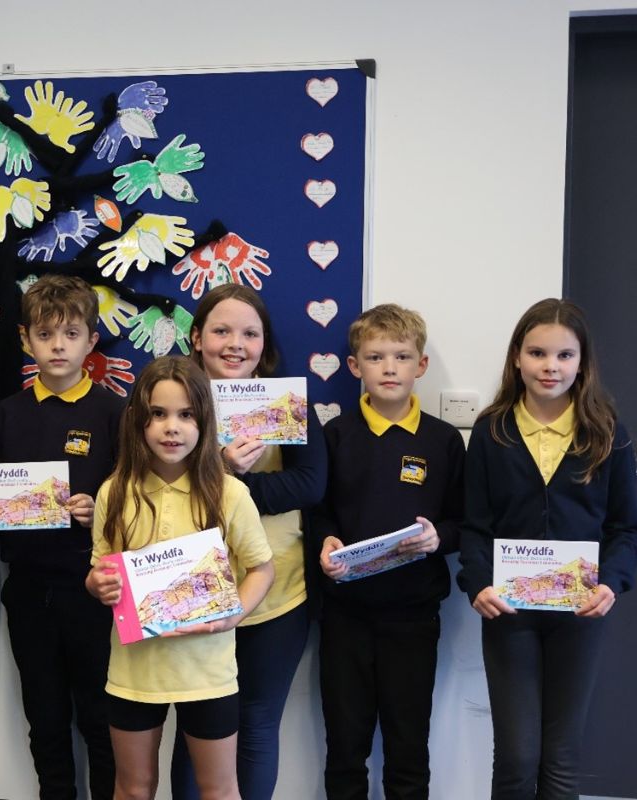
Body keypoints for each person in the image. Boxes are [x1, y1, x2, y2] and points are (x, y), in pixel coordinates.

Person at [457, 298, 637, 800]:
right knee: (517, 756)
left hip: (579, 615)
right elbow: (473, 527)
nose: (550, 366)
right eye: (538, 353)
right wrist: (476, 584)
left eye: (564, 355)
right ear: (517, 357)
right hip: (509, 613)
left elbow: (627, 529)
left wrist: (612, 583)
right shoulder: (491, 430)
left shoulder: (607, 434)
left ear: (582, 362)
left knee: (561, 759)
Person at [0, 274, 123, 799]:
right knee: (45, 720)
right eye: (46, 335)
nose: (58, 346)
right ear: (26, 340)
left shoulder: (115, 413)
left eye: (71, 334)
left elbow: (138, 502)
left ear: (90, 342)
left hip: (94, 589)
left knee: (101, 719)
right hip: (27, 589)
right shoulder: (5, 414)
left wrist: (100, 511)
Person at [87, 355, 275, 800]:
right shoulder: (114, 492)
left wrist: (231, 615)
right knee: (133, 789)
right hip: (135, 671)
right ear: (138, 421)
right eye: (158, 414)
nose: (172, 427)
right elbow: (100, 571)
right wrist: (96, 585)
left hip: (207, 670)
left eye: (186, 414)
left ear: (205, 421)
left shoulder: (230, 492)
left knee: (219, 790)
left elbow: (261, 568)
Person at [171, 284, 326, 800]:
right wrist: (221, 470)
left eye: (250, 333)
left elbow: (310, 484)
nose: (235, 344)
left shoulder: (284, 403)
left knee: (257, 725)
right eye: (221, 330)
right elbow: (151, 485)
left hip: (279, 593)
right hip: (192, 591)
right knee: (196, 728)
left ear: (265, 343)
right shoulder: (170, 400)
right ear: (196, 338)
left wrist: (232, 485)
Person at [311, 303, 465, 800]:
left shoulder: (443, 441)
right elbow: (318, 510)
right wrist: (325, 540)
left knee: (407, 748)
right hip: (344, 618)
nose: (390, 368)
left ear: (421, 365)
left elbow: (466, 521)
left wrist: (439, 537)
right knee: (345, 747)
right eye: (376, 357)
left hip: (413, 617)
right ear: (355, 367)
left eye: (402, 357)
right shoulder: (334, 437)